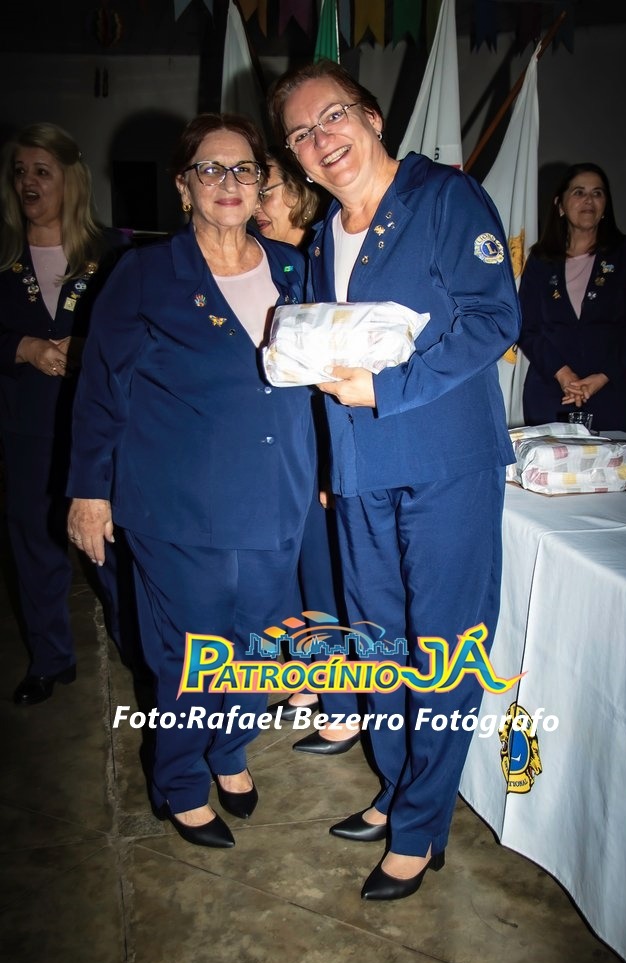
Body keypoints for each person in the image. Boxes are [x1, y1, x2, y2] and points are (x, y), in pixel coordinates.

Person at [268, 61, 520, 900]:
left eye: (332, 116)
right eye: (300, 133)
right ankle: (399, 785)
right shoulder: (320, 240)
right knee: (378, 646)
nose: (320, 139)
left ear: (372, 118)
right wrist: (329, 462)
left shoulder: (443, 199)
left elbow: (494, 317)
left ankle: (419, 826)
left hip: (446, 462)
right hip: (361, 470)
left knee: (442, 647)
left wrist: (386, 388)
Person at [66, 113, 316, 849]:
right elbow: (102, 390)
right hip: (177, 507)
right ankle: (179, 781)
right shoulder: (144, 274)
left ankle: (229, 751)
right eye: (211, 169)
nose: (229, 182)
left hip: (277, 497)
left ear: (261, 184)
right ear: (184, 187)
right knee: (191, 656)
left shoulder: (292, 268)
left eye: (244, 169)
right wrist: (89, 491)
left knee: (261, 647)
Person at [0, 122, 132, 707]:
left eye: (41, 171)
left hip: (98, 429)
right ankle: (50, 660)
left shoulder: (113, 252)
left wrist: (85, 349)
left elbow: (135, 333)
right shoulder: (3, 254)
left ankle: (139, 650)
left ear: (69, 179)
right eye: (20, 172)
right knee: (35, 544)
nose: (28, 182)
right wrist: (23, 347)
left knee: (111, 546)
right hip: (26, 427)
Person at [253, 153, 360, 751]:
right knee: (295, 577)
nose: (256, 204)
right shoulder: (272, 262)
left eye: (266, 190)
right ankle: (312, 679)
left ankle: (344, 708)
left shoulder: (321, 259)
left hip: (322, 443)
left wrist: (329, 463)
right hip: (283, 450)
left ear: (299, 192)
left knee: (324, 579)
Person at [518, 162, 626, 434]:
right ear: (560, 205)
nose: (589, 200)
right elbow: (525, 326)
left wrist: (601, 377)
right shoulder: (541, 260)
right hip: (552, 392)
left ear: (605, 206)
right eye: (579, 192)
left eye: (597, 193)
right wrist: (563, 375)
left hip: (615, 391)